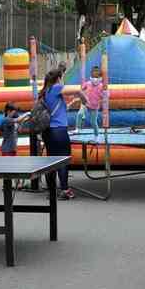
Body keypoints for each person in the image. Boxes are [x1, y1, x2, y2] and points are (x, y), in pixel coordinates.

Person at [41, 68, 81, 200]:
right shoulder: (56, 88)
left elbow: (56, 110)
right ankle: (64, 189)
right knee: (63, 160)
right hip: (59, 130)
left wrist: (70, 103)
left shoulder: (45, 91)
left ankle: (51, 190)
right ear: (58, 78)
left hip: (48, 131)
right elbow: (77, 90)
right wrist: (86, 100)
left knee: (51, 161)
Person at [75, 66, 103, 137]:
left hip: (94, 106)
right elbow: (81, 90)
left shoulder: (101, 86)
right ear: (91, 73)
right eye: (94, 72)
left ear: (99, 74)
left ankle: (97, 136)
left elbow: (104, 95)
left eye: (97, 72)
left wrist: (104, 96)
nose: (95, 73)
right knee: (80, 114)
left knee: (93, 122)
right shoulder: (88, 83)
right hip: (86, 103)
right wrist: (81, 94)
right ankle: (78, 128)